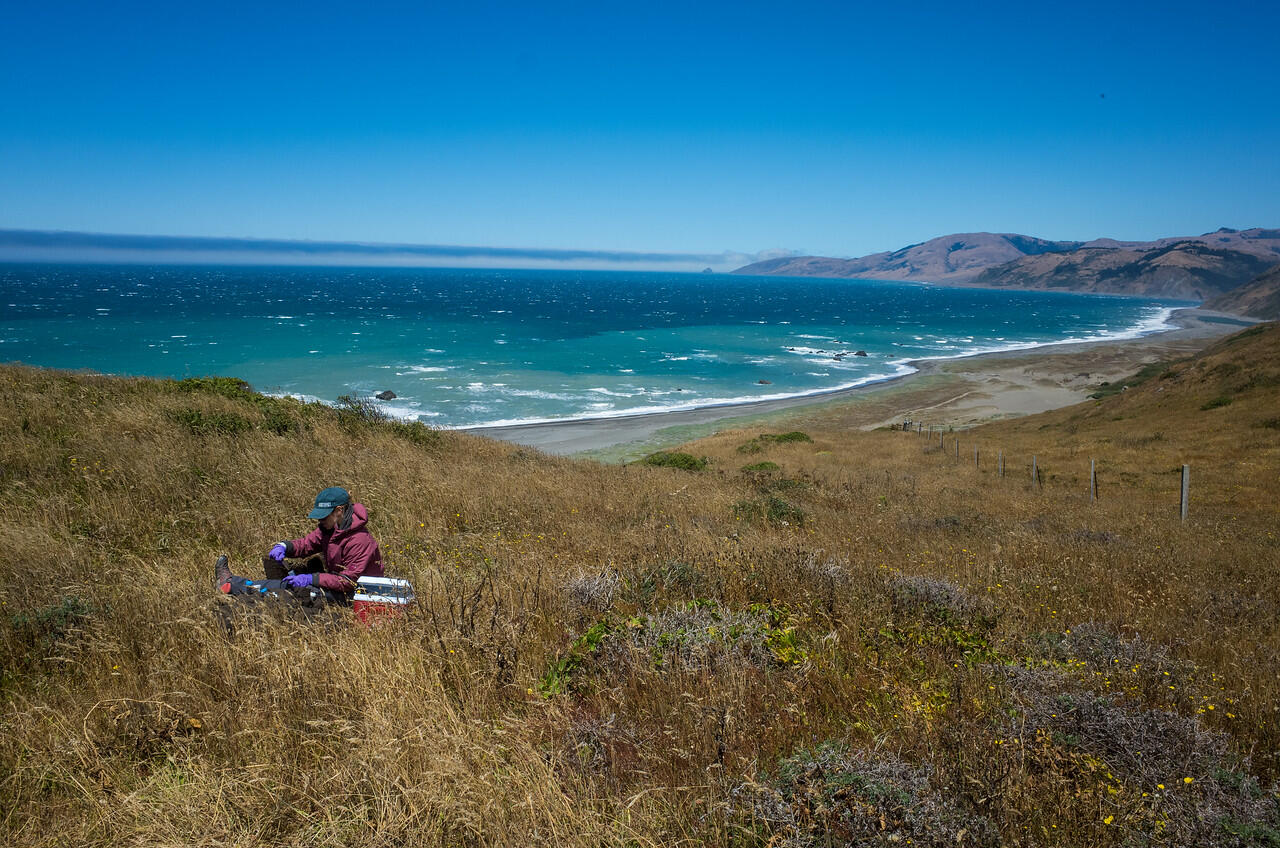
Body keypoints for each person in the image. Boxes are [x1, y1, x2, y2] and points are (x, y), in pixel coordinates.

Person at [214, 486, 384, 605]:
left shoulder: (359, 540)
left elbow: (348, 581)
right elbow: (306, 544)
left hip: (356, 596)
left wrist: (312, 579)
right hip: (336, 583)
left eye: (323, 517)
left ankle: (233, 585)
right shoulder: (331, 529)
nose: (320, 521)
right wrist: (284, 546)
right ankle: (238, 584)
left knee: (291, 591)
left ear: (339, 511)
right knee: (293, 583)